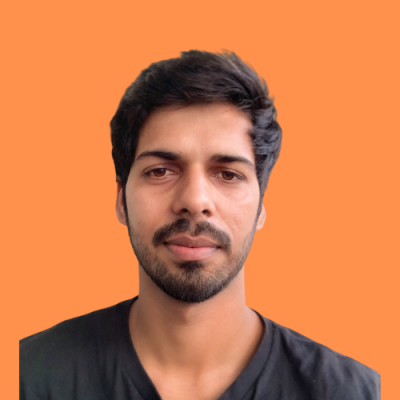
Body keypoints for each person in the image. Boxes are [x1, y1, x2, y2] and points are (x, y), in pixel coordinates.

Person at [19, 50, 380, 400]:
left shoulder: (353, 392)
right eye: (160, 171)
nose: (194, 200)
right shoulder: (27, 377)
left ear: (261, 206)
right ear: (121, 200)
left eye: (228, 174)